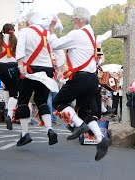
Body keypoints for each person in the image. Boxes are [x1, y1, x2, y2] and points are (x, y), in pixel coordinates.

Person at [49, 7, 110, 161]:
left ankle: (78, 124)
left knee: (58, 101)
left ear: (77, 19)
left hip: (81, 78)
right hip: (91, 79)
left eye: (72, 19)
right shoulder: (91, 34)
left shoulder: (77, 33)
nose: (72, 22)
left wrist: (51, 29)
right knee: (85, 113)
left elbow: (55, 44)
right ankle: (101, 139)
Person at [15, 11, 65, 146]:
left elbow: (19, 50)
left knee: (23, 101)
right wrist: (59, 69)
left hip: (30, 69)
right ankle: (50, 129)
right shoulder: (48, 34)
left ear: (29, 22)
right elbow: (59, 51)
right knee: (42, 101)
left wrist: (20, 66)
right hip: (47, 69)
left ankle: (25, 134)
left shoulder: (25, 31)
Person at [0, 23, 19, 130]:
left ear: (3, 30)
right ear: (12, 30)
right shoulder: (15, 39)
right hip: (11, 67)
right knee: (14, 93)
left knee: (7, 86)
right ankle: (9, 115)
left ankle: (7, 108)